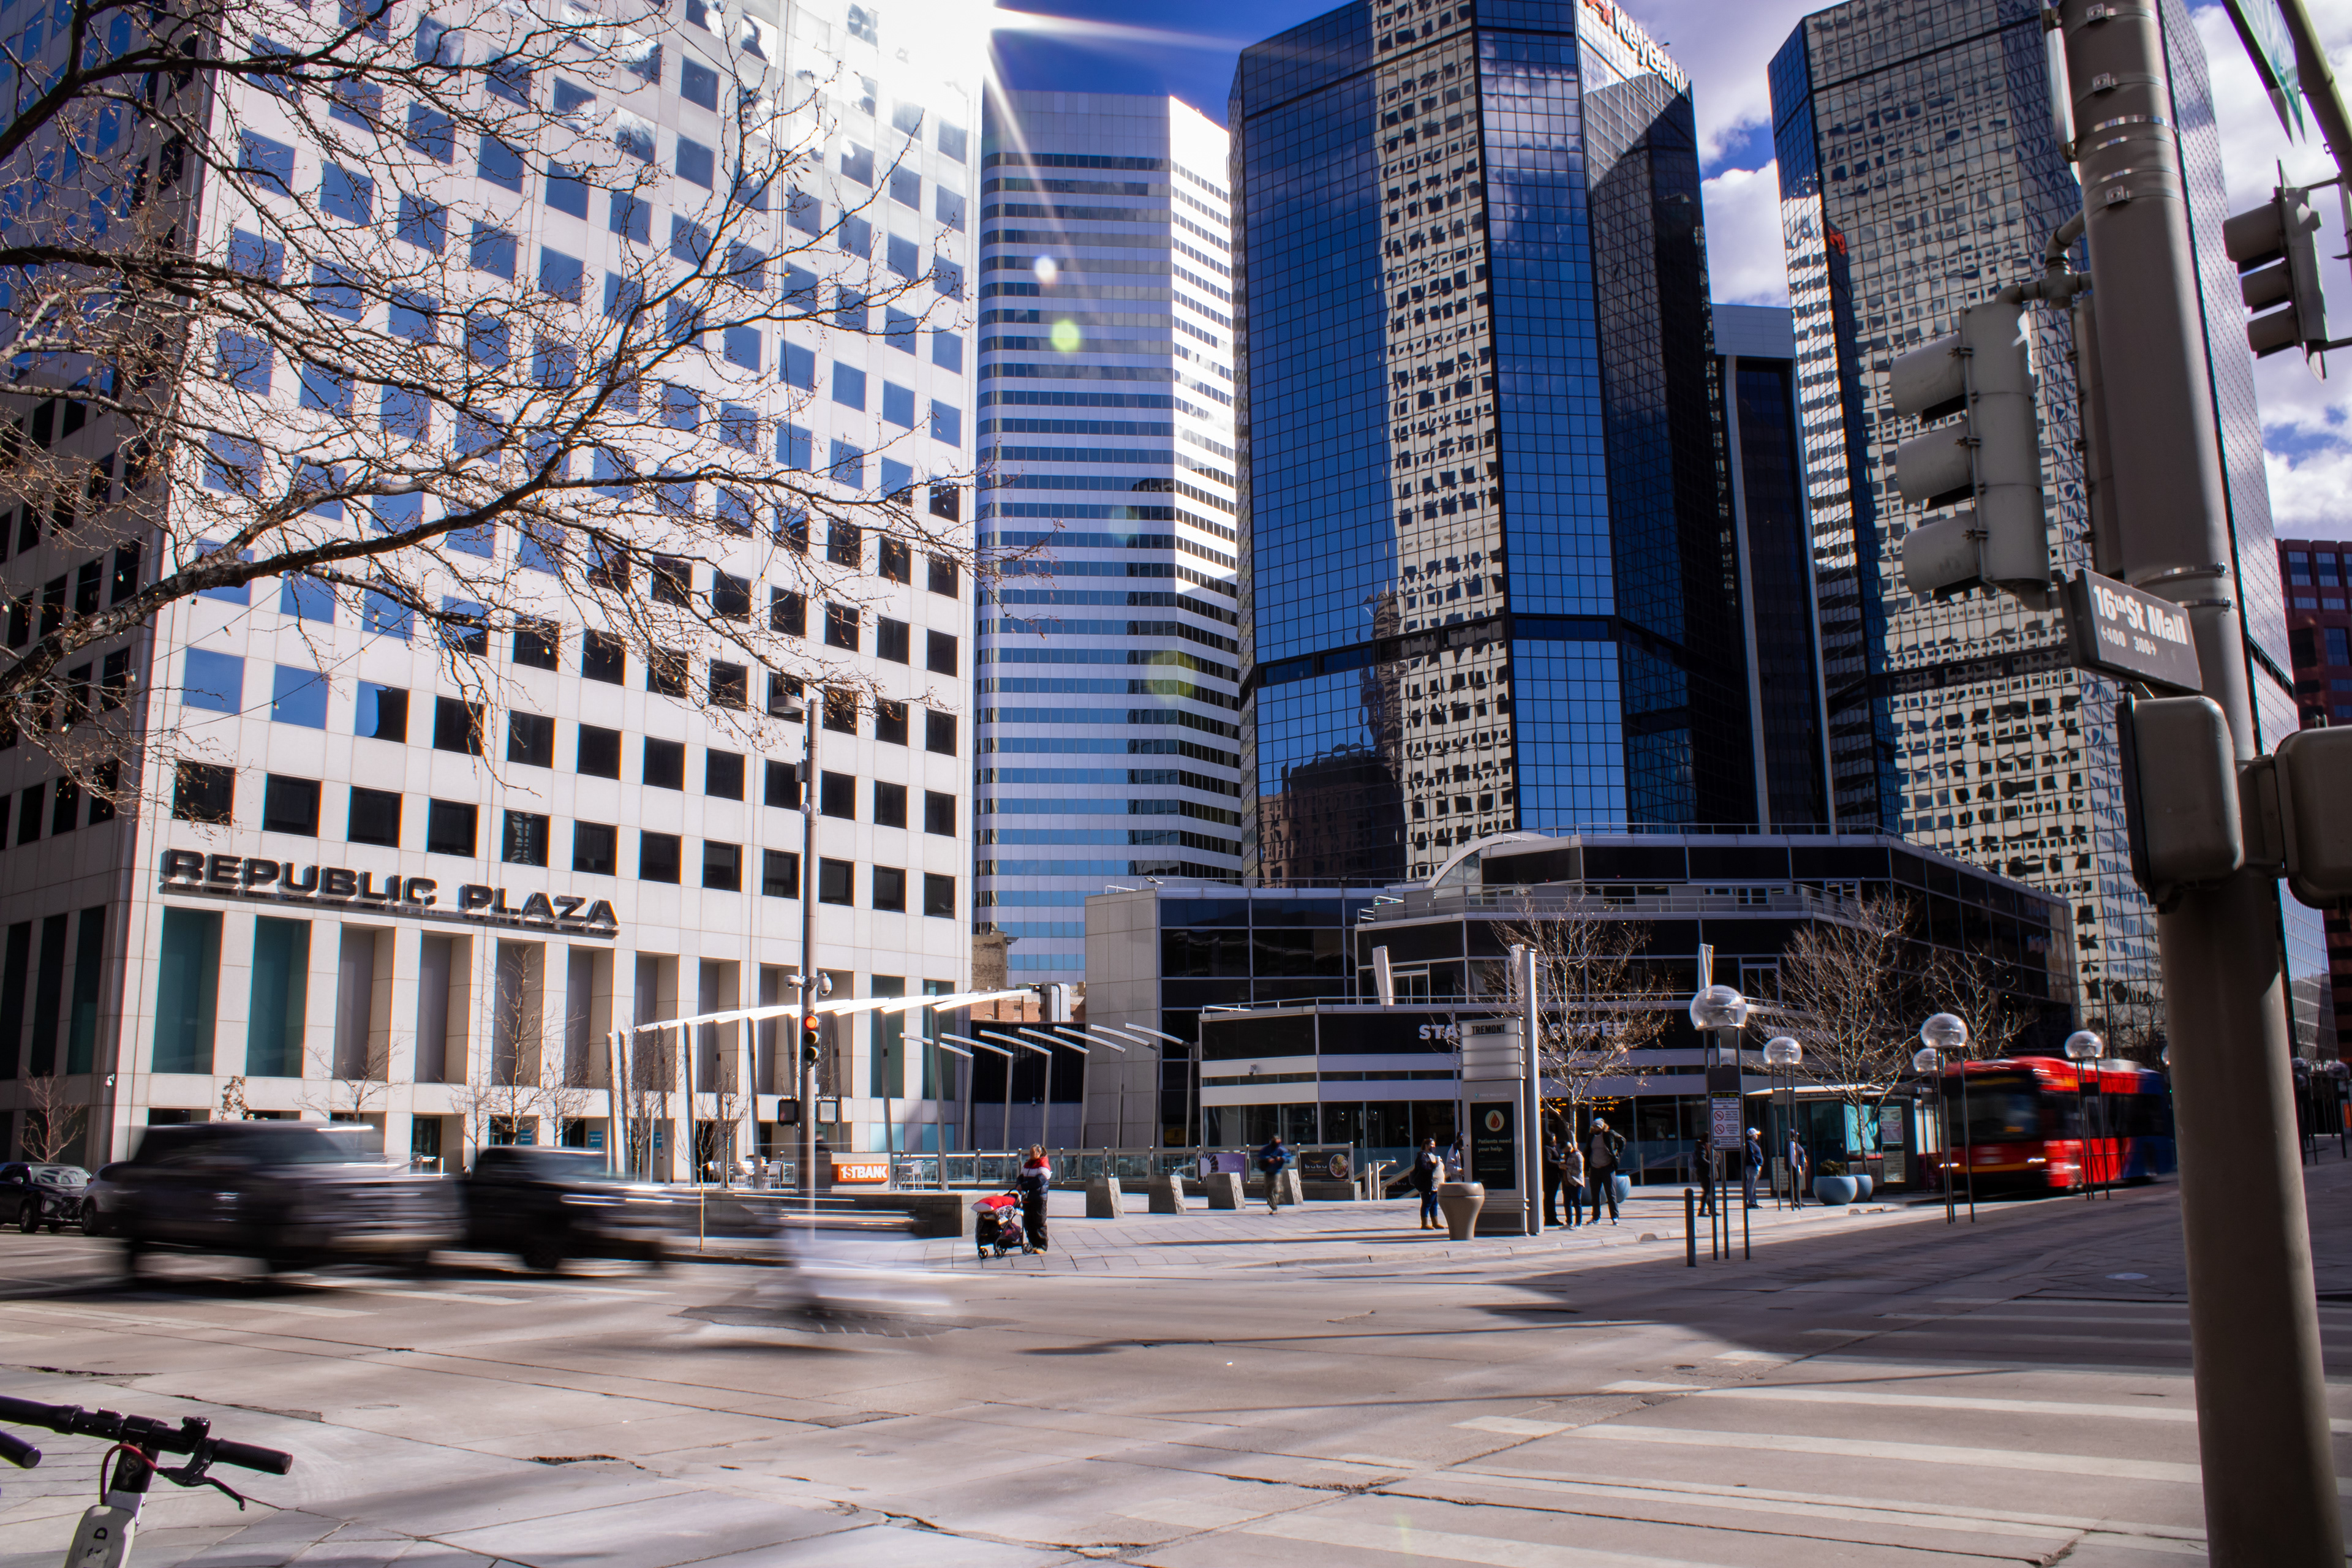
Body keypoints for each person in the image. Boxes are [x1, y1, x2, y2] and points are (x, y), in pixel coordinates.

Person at [1586, 1118, 1624, 1224]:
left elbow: (1622, 1141)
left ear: (1602, 1127)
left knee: (1611, 1193)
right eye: (1594, 1126)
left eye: (1597, 1127)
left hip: (1607, 1168)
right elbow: (1588, 1150)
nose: (1595, 1128)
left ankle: (1615, 1217)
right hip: (1595, 1168)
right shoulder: (1591, 1136)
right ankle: (1596, 1217)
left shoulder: (1608, 1134)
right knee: (1595, 1194)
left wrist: (1617, 1154)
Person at [1017, 1145, 1052, 1252]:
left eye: (1033, 1153)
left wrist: (1023, 1186)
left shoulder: (1044, 1165)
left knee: (1039, 1222)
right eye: (1030, 1152)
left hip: (1038, 1198)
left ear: (1039, 1153)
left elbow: (1039, 1181)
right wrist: (1018, 1185)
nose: (1031, 1155)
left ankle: (1042, 1246)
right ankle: (1033, 1244)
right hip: (1027, 1198)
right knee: (1028, 1222)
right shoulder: (1028, 1164)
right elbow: (1020, 1177)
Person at [1411, 1138, 1444, 1230]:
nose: (1433, 1147)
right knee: (1427, 1203)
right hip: (1428, 1185)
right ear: (1426, 1146)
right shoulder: (1422, 1156)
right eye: (1431, 1145)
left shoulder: (1433, 1156)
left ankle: (1435, 1222)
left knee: (1434, 1204)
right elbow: (1423, 1167)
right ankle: (1424, 1224)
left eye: (1434, 1145)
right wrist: (1434, 1165)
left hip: (1437, 1185)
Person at [1558, 1133, 1585, 1230]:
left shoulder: (1577, 1155)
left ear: (1569, 1148)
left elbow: (1579, 1170)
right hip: (1566, 1182)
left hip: (1575, 1182)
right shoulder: (1566, 1156)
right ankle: (1569, 1222)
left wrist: (1567, 1167)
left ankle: (1578, 1223)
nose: (1563, 1152)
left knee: (1577, 1203)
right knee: (1567, 1203)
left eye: (1564, 1150)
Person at [1259, 1134, 1289, 1215]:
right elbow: (1261, 1155)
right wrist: (1268, 1159)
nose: (1276, 1142)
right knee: (1268, 1191)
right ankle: (1273, 1205)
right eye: (1274, 1140)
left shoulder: (1282, 1150)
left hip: (1277, 1172)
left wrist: (1281, 1158)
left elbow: (1288, 1158)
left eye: (1277, 1140)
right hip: (1268, 1172)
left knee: (1276, 1189)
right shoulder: (1267, 1148)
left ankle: (1275, 1206)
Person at [1541, 1129, 1566, 1226]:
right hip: (1550, 1177)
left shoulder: (1552, 1148)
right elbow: (1547, 1161)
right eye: (1554, 1138)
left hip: (1555, 1176)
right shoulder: (1546, 1149)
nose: (1555, 1140)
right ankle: (1549, 1218)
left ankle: (1553, 1218)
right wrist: (1560, 1163)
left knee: (1551, 1198)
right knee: (1549, 1198)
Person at [1785, 1130, 1809, 1209]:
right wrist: (1798, 1168)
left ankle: (1797, 1201)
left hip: (1796, 1167)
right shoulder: (1792, 1144)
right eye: (1796, 1135)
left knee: (1795, 1185)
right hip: (1794, 1168)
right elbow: (1794, 1157)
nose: (1797, 1137)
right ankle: (1795, 1201)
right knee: (1795, 1185)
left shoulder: (1795, 1144)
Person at [1744, 1127, 1766, 1209]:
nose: (1757, 1136)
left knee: (1753, 1185)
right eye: (1756, 1134)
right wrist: (1756, 1165)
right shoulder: (1749, 1143)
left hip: (1756, 1167)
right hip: (1753, 1167)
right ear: (1753, 1135)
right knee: (1751, 1185)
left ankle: (1754, 1201)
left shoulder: (1753, 1143)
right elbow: (1750, 1155)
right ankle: (1751, 1202)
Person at [1696, 1132, 1715, 1218]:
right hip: (1704, 1171)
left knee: (1709, 1191)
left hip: (1705, 1171)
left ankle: (1711, 1209)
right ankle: (1702, 1210)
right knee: (1707, 1191)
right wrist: (1710, 1164)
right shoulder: (1702, 1146)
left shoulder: (1705, 1146)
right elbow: (1701, 1158)